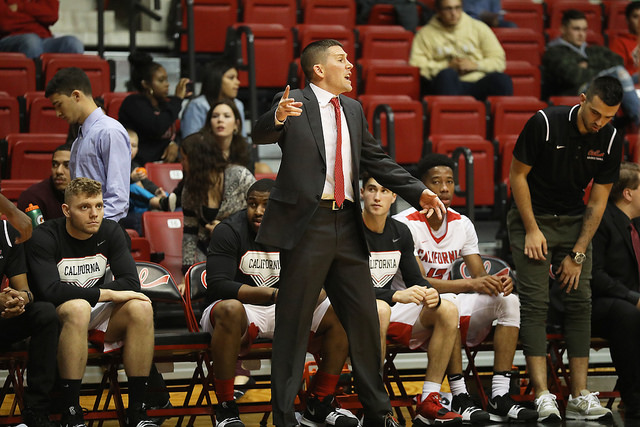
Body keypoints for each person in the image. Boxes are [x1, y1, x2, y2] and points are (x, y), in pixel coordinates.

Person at [251, 38, 446, 427]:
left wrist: (418, 190)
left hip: (347, 222)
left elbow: (375, 158)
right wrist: (277, 116)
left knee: (365, 322)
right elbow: (260, 133)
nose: (351, 65)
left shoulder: (353, 109)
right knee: (293, 322)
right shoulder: (294, 101)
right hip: (308, 226)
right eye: (342, 59)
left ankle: (378, 412)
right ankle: (284, 415)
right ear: (319, 69)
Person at [507, 75, 623, 421]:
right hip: (532, 216)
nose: (599, 123)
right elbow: (517, 176)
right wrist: (531, 229)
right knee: (535, 303)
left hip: (574, 220)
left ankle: (579, 393)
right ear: (583, 98)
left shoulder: (611, 138)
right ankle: (542, 393)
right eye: (596, 114)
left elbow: (599, 199)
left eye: (608, 117)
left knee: (579, 302)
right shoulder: (545, 122)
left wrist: (578, 253)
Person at [203, 178, 358, 427]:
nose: (259, 211)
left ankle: (320, 401)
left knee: (341, 310)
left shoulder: (299, 230)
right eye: (252, 204)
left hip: (287, 307)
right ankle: (225, 407)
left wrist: (314, 291)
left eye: (266, 204)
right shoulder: (229, 230)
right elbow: (218, 285)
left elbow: (319, 281)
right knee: (230, 308)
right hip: (237, 310)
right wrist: (273, 295)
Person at [394, 154, 537, 423]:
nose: (445, 188)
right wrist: (473, 284)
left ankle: (499, 395)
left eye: (449, 182)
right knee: (448, 300)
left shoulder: (462, 223)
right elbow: (420, 282)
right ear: (421, 187)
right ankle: (460, 396)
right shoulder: (404, 223)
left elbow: (479, 274)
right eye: (436, 182)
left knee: (508, 302)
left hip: (448, 304)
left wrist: (497, 283)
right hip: (411, 307)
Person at [25, 177, 157, 427]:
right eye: (84, 207)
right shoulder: (44, 236)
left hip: (95, 311)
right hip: (58, 317)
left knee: (141, 306)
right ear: (66, 210)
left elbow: (130, 283)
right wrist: (106, 294)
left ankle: (138, 411)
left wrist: (101, 295)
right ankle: (72, 412)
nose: (94, 214)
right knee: (78, 306)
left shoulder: (110, 231)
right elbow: (50, 291)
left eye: (98, 206)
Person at [361, 174, 462, 425]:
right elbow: (346, 286)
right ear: (361, 193)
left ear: (393, 196)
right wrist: (395, 295)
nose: (377, 196)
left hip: (386, 307)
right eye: (371, 190)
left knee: (448, 309)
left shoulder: (400, 231)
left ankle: (429, 399)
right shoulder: (349, 230)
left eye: (384, 191)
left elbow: (415, 278)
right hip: (353, 308)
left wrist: (429, 292)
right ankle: (376, 406)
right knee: (381, 308)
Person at [45, 67, 130, 223]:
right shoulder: (79, 140)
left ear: (76, 95)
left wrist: (94, 228)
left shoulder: (109, 131)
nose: (57, 113)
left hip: (102, 230)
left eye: (59, 104)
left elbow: (118, 198)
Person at [0, 198, 58, 427]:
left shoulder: (6, 232)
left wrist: (19, 300)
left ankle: (37, 413)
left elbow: (23, 288)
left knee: (44, 313)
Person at [591, 162, 640, 419]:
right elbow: (594, 275)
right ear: (628, 193)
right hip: (596, 304)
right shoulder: (601, 221)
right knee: (628, 313)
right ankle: (633, 399)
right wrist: (634, 299)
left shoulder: (636, 224)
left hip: (626, 303)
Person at [542, 9, 640, 130]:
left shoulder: (592, 50)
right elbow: (574, 76)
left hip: (599, 88)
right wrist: (600, 68)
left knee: (633, 76)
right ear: (563, 29)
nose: (581, 34)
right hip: (575, 93)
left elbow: (618, 60)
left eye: (584, 29)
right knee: (618, 73)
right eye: (576, 29)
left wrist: (587, 64)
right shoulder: (554, 52)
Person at [180, 132, 255, 275]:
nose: (182, 164)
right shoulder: (190, 189)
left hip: (244, 254)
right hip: (208, 256)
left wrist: (224, 230)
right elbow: (189, 234)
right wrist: (188, 274)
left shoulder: (240, 177)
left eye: (184, 159)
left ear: (198, 161)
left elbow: (262, 217)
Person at [409, 0, 513, 100]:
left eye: (457, 8)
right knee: (447, 75)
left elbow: (499, 60)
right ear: (438, 10)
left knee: (502, 80)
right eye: (448, 9)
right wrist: (447, 66)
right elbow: (417, 64)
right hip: (445, 85)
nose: (454, 13)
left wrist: (476, 65)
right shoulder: (425, 34)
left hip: (478, 81)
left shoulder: (479, 28)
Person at [119, 51, 191, 165]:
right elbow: (157, 128)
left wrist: (172, 144)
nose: (167, 84)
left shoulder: (163, 104)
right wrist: (177, 99)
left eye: (166, 80)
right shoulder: (133, 104)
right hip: (137, 166)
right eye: (161, 80)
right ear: (146, 84)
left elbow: (171, 133)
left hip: (162, 165)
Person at [181, 60, 244, 139]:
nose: (238, 82)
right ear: (217, 79)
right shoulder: (197, 105)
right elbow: (189, 143)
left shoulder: (238, 105)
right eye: (231, 78)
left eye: (237, 78)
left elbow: (242, 138)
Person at [0, 0, 83, 59]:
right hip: (10, 40)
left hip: (44, 40)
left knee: (73, 43)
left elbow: (52, 15)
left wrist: (22, 8)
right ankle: (33, 83)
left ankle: (69, 83)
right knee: (32, 41)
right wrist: (38, 16)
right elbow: (5, 23)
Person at [18, 143, 71, 220]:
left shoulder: (89, 195)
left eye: (67, 165)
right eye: (54, 164)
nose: (59, 171)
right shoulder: (33, 197)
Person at [610, 1, 640, 84]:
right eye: (635, 17)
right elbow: (618, 72)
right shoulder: (619, 42)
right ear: (627, 20)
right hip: (631, 84)